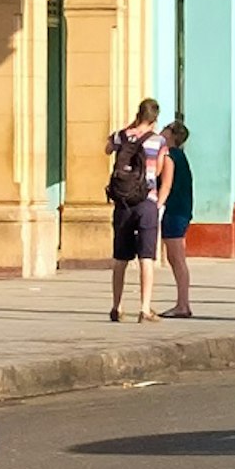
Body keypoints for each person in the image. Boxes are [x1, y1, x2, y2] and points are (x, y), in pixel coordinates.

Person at [106, 99, 166, 322]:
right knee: (146, 258)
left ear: (138, 114)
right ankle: (144, 308)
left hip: (123, 203)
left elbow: (107, 149)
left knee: (120, 258)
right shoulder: (158, 140)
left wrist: (128, 132)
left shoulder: (121, 136)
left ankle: (116, 306)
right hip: (146, 201)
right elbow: (158, 169)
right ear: (155, 118)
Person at [158, 122, 199, 317]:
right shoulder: (179, 155)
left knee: (177, 258)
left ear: (172, 135)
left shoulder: (171, 156)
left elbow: (165, 186)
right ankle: (182, 303)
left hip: (174, 211)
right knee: (175, 257)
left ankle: (183, 304)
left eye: (166, 128)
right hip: (181, 210)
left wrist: (157, 206)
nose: (161, 131)